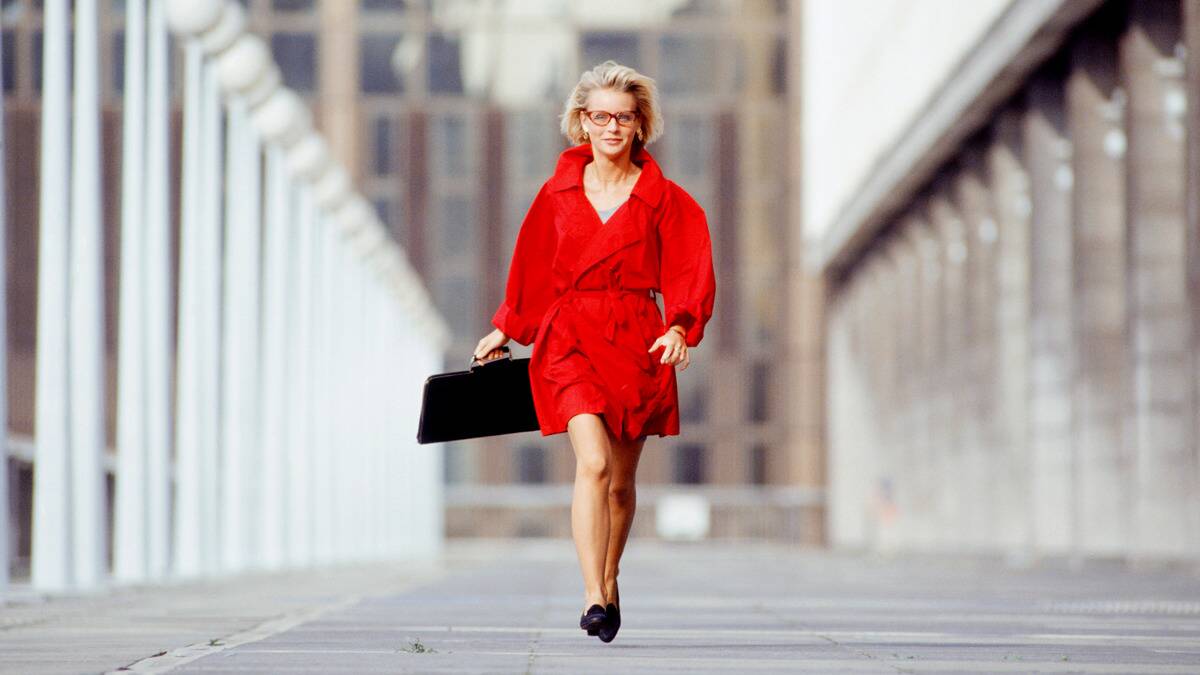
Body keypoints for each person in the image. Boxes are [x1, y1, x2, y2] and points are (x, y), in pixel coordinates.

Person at [473, 60, 716, 643]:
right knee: (594, 463)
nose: (612, 127)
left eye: (624, 118)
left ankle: (609, 581)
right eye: (601, 116)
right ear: (582, 122)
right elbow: (531, 264)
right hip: (569, 336)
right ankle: (590, 597)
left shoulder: (666, 200)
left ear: (640, 125)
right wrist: (507, 326)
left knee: (622, 485)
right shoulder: (555, 193)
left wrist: (680, 328)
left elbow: (690, 265)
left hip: (637, 339)